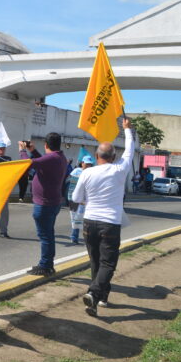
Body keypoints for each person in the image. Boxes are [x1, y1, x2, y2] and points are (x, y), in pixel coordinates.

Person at [73, 118, 134, 317]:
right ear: (113, 156)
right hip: (110, 224)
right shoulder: (120, 169)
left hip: (89, 222)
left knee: (96, 262)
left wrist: (87, 202)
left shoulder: (87, 173)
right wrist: (127, 130)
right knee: (108, 264)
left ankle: (98, 299)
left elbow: (75, 198)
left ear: (96, 156)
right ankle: (94, 293)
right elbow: (130, 150)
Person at [25, 133, 68, 275]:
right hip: (52, 202)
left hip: (45, 204)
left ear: (46, 145)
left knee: (45, 236)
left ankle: (45, 265)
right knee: (48, 235)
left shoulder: (52, 158)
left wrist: (22, 151)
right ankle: (47, 264)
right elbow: (42, 161)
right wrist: (32, 151)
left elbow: (27, 164)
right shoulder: (59, 157)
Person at [67, 156, 94, 244]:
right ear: (82, 163)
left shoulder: (92, 173)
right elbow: (70, 185)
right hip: (74, 199)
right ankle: (74, 236)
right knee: (76, 218)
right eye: (87, 164)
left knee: (84, 219)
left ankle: (86, 237)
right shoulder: (76, 171)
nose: (88, 166)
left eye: (90, 164)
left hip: (86, 200)